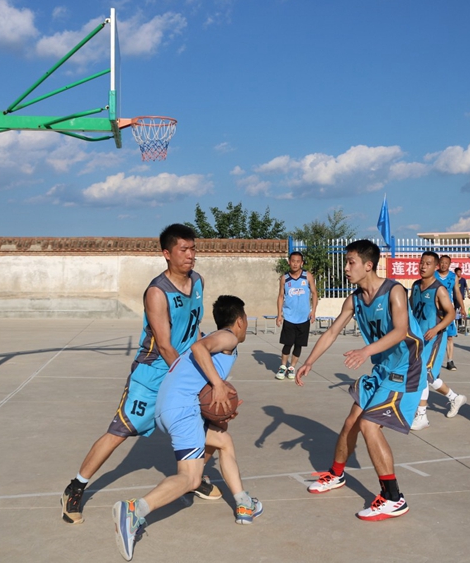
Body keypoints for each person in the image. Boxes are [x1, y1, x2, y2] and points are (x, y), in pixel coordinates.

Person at [61, 224, 215, 525]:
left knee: (209, 420)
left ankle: (192, 477)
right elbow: (166, 345)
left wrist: (202, 367)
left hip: (183, 369)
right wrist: (190, 380)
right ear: (167, 254)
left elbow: (194, 328)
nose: (190, 255)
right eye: (183, 249)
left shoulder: (198, 282)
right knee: (119, 432)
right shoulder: (157, 292)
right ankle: (75, 487)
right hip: (153, 374)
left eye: (193, 248)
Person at [112, 295, 262, 561]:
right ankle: (135, 510)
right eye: (246, 320)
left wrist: (221, 412)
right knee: (190, 478)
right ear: (240, 321)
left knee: (223, 441)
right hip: (182, 409)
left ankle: (243, 504)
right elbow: (198, 347)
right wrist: (219, 385)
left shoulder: (218, 341)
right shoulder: (227, 337)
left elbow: (200, 382)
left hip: (169, 406)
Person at [295, 239, 426, 521]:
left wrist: (366, 351)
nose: (346, 267)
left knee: (369, 425)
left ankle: (393, 498)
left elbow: (401, 330)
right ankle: (336, 474)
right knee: (351, 422)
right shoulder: (354, 299)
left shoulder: (394, 291)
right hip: (383, 368)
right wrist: (309, 362)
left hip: (405, 370)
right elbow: (332, 332)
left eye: (350, 262)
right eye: (346, 261)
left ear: (368, 265)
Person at [409, 251, 468, 430]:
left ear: (435, 267)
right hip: (418, 337)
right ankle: (454, 398)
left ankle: (421, 416)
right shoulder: (416, 286)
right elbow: (412, 309)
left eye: (428, 264)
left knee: (423, 374)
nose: (423, 266)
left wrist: (435, 329)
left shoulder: (439, 289)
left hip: (434, 337)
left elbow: (450, 314)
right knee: (428, 376)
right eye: (421, 262)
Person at [275, 251, 318, 380]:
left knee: (299, 344)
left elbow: (314, 293)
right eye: (293, 261)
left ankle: (292, 367)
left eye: (298, 261)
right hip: (289, 317)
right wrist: (279, 314)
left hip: (304, 318)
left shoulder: (307, 276)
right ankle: (283, 366)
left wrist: (313, 311)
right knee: (287, 344)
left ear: (302, 263)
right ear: (289, 262)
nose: (295, 264)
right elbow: (281, 296)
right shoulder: (284, 278)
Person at [435, 255, 464, 371]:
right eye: (442, 262)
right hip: (435, 310)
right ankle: (431, 360)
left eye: (446, 263)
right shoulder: (433, 275)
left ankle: (450, 361)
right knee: (433, 335)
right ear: (438, 263)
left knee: (449, 337)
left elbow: (457, 292)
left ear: (449, 264)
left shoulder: (453, 277)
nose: (443, 265)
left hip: (448, 310)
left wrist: (462, 307)